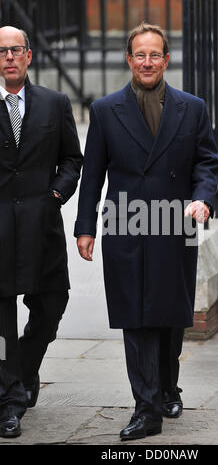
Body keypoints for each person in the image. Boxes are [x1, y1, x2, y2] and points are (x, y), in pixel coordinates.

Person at [75, 22, 218, 441]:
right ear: (129, 59)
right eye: (140, 54)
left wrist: (203, 198)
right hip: (126, 225)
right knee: (136, 317)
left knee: (171, 315)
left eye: (155, 54)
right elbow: (92, 175)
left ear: (166, 59)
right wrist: (86, 228)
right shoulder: (104, 110)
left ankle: (168, 387)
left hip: (175, 223)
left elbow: (206, 162)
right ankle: (147, 407)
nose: (147, 62)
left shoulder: (192, 107)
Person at [0, 26, 82, 438]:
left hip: (42, 224)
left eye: (16, 50)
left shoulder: (55, 103)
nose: (9, 57)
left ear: (29, 56)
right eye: (2, 52)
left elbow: (72, 158)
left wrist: (56, 195)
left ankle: (24, 368)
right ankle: (9, 399)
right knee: (0, 322)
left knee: (52, 305)